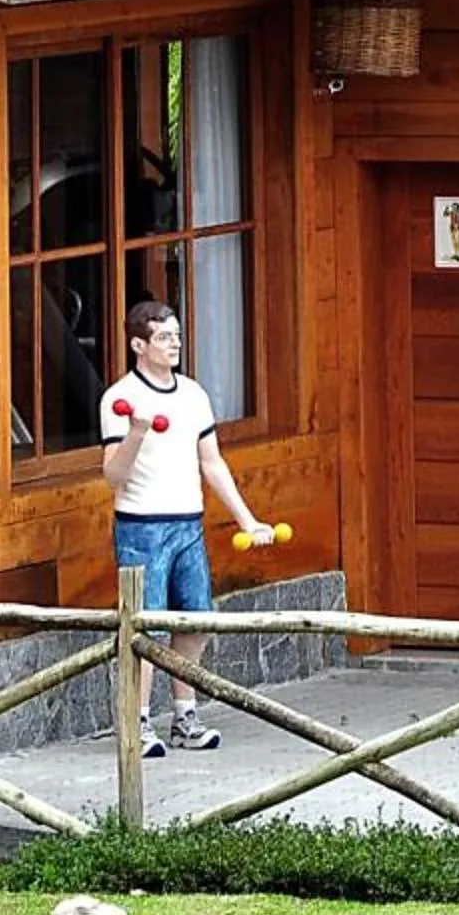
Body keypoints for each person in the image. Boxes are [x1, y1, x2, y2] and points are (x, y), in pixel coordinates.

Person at [101, 299, 268, 756]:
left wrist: (248, 520)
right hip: (141, 527)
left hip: (187, 523)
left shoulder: (193, 395)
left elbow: (212, 464)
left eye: (176, 335)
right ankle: (135, 724)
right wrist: (135, 433)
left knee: (195, 619)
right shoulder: (119, 398)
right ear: (139, 344)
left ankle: (184, 717)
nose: (174, 344)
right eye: (163, 337)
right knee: (145, 630)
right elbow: (113, 476)